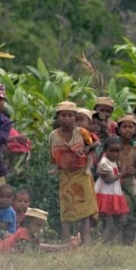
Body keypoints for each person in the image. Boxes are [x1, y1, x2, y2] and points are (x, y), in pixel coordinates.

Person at [48, 101, 98, 246]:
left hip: (82, 173)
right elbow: (53, 154)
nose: (66, 118)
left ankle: (86, 240)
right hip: (65, 175)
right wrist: (57, 166)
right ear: (58, 117)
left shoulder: (81, 132)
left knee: (85, 210)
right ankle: (65, 242)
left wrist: (87, 152)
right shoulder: (53, 135)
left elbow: (91, 145)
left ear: (75, 118)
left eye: (70, 115)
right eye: (63, 115)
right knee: (66, 210)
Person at [0, 208, 78, 253]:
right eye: (37, 225)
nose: (39, 228)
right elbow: (26, 251)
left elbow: (37, 247)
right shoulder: (24, 232)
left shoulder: (31, 233)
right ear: (27, 223)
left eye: (41, 226)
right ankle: (65, 247)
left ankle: (65, 247)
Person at [116, 115, 136, 243]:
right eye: (124, 127)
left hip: (131, 181)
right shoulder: (114, 145)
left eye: (130, 127)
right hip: (115, 181)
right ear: (119, 129)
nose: (127, 130)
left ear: (135, 130)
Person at [94, 137, 130, 242]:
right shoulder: (104, 163)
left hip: (114, 192)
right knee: (108, 217)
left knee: (116, 216)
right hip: (106, 193)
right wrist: (122, 173)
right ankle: (107, 239)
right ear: (105, 151)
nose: (115, 154)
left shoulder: (113, 161)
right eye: (112, 151)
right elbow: (109, 180)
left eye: (117, 151)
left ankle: (112, 238)